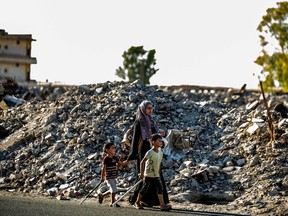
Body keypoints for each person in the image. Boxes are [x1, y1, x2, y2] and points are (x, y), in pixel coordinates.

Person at [124, 100, 169, 207]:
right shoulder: (139, 122)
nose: (150, 110)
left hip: (154, 151)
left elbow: (155, 136)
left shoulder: (152, 121)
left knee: (156, 175)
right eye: (148, 108)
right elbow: (135, 140)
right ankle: (138, 200)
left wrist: (161, 134)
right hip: (144, 151)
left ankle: (155, 202)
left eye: (151, 108)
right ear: (143, 109)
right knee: (144, 176)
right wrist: (132, 155)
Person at [134, 133, 171, 211]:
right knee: (144, 189)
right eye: (159, 141)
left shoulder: (160, 152)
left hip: (156, 175)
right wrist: (142, 173)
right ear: (153, 142)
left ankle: (162, 205)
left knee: (160, 188)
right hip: (148, 174)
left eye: (161, 141)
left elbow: (159, 163)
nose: (161, 143)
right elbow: (142, 162)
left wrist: (158, 172)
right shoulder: (150, 152)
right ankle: (137, 202)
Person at [98, 142, 123, 207]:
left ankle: (102, 195)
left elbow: (120, 165)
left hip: (114, 176)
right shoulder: (106, 159)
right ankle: (112, 202)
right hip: (108, 177)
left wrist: (120, 162)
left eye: (114, 148)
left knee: (113, 189)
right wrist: (102, 177)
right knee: (113, 189)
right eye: (112, 148)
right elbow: (104, 168)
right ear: (107, 150)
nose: (114, 149)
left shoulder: (115, 158)